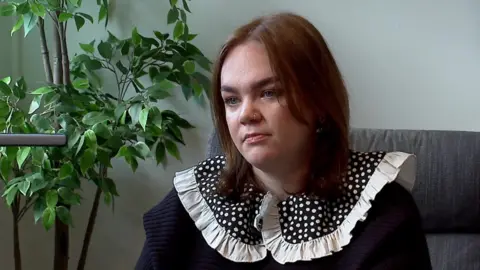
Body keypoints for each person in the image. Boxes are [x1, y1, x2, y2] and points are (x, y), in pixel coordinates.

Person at [135, 12, 432, 270]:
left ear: (319, 101)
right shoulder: (190, 203)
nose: (246, 115)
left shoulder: (382, 213)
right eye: (232, 100)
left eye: (269, 93)